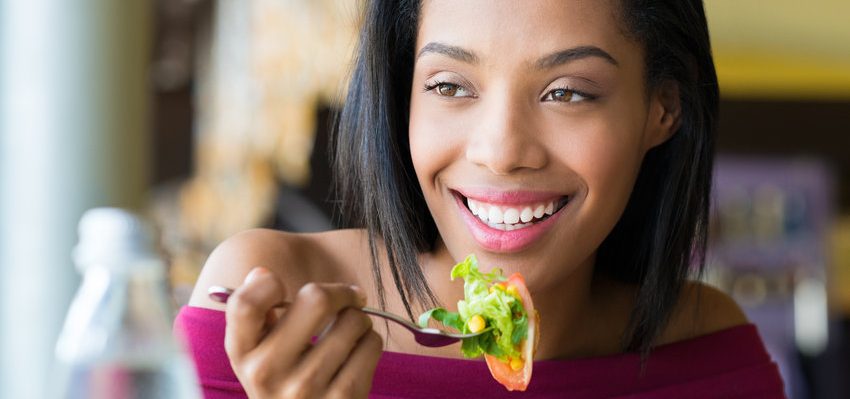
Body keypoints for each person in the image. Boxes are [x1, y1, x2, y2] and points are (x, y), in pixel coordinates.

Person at [175, 0, 786, 397]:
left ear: (663, 109)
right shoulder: (261, 311)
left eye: (567, 93)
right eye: (449, 85)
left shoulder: (710, 357)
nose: (500, 150)